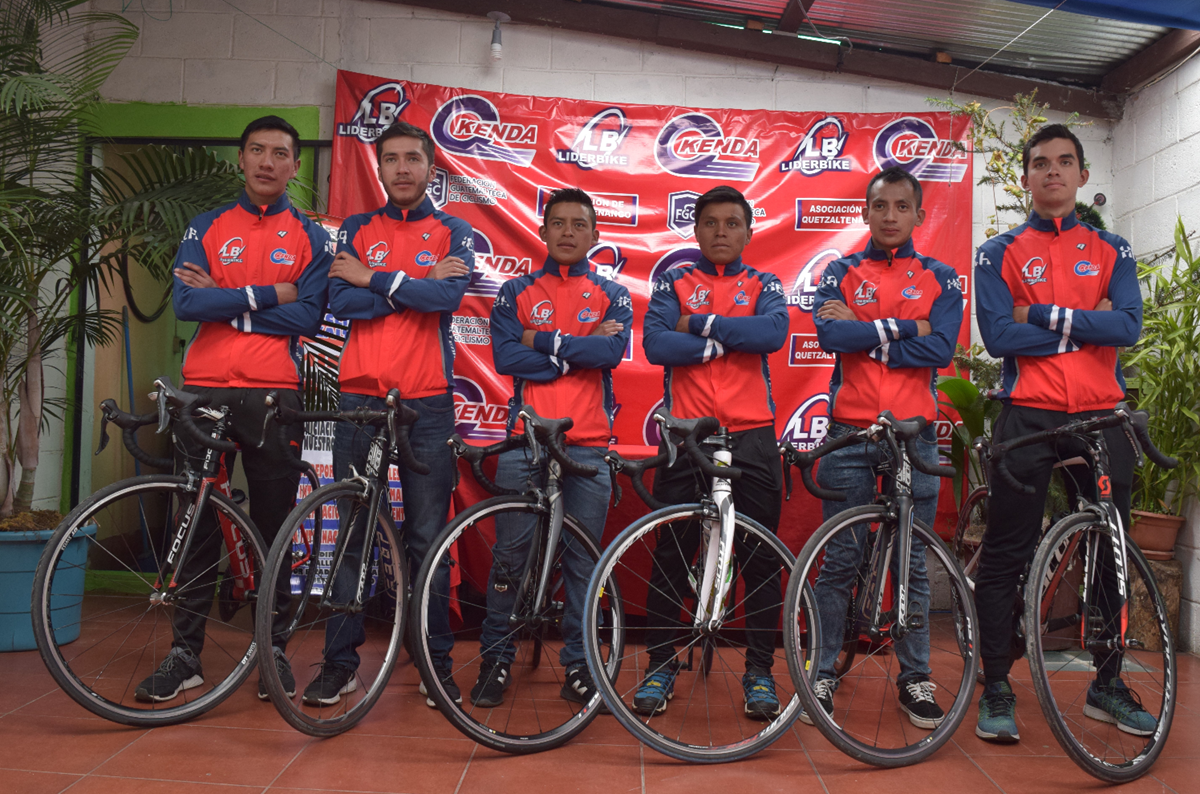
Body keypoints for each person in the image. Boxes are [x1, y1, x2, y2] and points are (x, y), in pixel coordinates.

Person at [137, 115, 332, 703]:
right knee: (195, 519)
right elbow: (188, 302)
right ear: (241, 160)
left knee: (274, 521)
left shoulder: (314, 237)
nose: (267, 162)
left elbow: (310, 316)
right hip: (202, 388)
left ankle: (269, 648)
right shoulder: (206, 225)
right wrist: (270, 294)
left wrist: (228, 302)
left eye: (279, 153)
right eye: (256, 151)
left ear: (294, 166)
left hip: (274, 392)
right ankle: (185, 655)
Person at [973, 123, 1147, 743]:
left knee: (1112, 552)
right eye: (1040, 163)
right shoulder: (997, 253)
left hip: (1102, 415)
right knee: (1007, 551)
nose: (1052, 171)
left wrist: (1041, 315)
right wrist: (1085, 326)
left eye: (1064, 162)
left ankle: (1108, 683)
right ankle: (996, 684)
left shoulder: (1114, 251)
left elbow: (1126, 327)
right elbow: (998, 337)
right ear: (1025, 177)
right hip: (1029, 413)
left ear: (1082, 176)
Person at [314, 121, 474, 707]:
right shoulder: (356, 228)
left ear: (431, 168)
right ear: (378, 169)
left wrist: (376, 279)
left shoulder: (454, 229)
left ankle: (434, 664)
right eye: (392, 160)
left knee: (429, 536)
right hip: (359, 399)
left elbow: (447, 299)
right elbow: (340, 299)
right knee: (354, 527)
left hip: (428, 402)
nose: (403, 168)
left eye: (413, 159)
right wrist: (412, 283)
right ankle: (339, 664)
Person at [806, 166, 963, 728]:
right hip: (849, 432)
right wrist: (906, 329)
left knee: (913, 562)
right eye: (880, 206)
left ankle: (915, 678)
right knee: (841, 557)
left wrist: (869, 327)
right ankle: (820, 672)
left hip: (913, 435)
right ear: (866, 212)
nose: (890, 215)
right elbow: (831, 336)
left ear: (919, 215)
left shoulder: (942, 277)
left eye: (902, 206)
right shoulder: (839, 271)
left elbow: (941, 349)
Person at [475, 187, 632, 706]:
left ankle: (580, 667)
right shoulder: (512, 291)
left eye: (578, 224)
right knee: (509, 560)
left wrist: (540, 340)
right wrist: (575, 347)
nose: (567, 232)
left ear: (595, 234)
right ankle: (495, 660)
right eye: (558, 223)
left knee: (583, 565)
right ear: (542, 231)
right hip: (526, 443)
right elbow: (505, 358)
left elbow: (609, 352)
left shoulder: (615, 293)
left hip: (587, 447)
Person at [637, 185, 789, 720]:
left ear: (748, 232)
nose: (721, 232)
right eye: (711, 223)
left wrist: (698, 328)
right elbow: (656, 344)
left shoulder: (765, 283)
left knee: (762, 561)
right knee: (672, 555)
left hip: (752, 437)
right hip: (688, 437)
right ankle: (659, 665)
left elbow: (772, 333)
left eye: (732, 223)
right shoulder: (673, 282)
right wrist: (727, 340)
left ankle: (759, 674)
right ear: (695, 230)